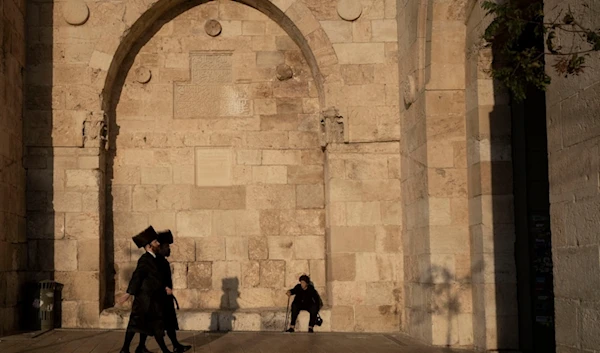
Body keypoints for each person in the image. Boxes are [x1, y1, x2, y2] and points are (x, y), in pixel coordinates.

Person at [117, 226, 173, 353]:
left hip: (152, 299)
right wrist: (128, 293)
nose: (158, 243)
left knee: (145, 325)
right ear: (149, 246)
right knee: (135, 325)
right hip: (144, 300)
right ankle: (125, 349)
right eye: (155, 242)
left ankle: (140, 347)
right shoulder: (145, 260)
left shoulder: (153, 259)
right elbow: (137, 276)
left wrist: (164, 287)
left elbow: (154, 278)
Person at [156, 230, 192, 353]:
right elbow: (154, 279)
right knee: (156, 325)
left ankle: (176, 345)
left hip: (166, 298)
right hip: (160, 298)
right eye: (166, 247)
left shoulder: (162, 261)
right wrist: (164, 288)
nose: (169, 249)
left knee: (169, 323)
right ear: (159, 247)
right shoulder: (157, 262)